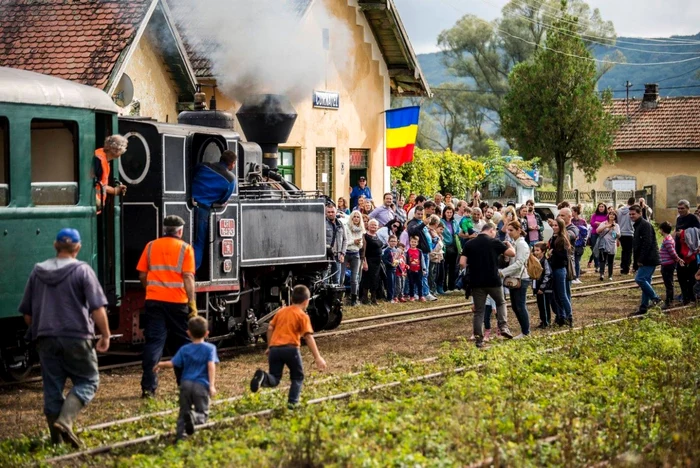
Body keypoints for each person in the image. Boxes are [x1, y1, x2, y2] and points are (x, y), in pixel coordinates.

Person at [18, 228, 110, 447]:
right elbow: (97, 308)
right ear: (77, 248)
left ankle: (56, 442)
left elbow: (27, 314)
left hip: (45, 338)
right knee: (88, 380)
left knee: (52, 388)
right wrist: (105, 334)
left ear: (55, 245)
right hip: (76, 336)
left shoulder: (37, 271)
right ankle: (66, 421)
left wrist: (41, 331)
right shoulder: (82, 270)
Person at [137, 215, 196, 398]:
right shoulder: (186, 248)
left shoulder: (151, 246)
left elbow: (142, 275)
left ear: (164, 229)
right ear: (180, 231)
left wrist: (152, 291)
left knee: (154, 344)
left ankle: (148, 388)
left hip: (154, 302)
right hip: (177, 304)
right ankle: (184, 384)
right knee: (182, 345)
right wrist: (192, 304)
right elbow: (188, 277)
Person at [250, 285, 327, 408]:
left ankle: (263, 376)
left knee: (274, 378)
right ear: (306, 301)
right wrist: (317, 357)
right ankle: (292, 403)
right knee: (297, 377)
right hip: (291, 349)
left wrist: (269, 346)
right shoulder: (302, 316)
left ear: (292, 299)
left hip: (275, 349)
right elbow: (308, 337)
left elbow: (270, 328)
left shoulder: (281, 311)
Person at [154, 316, 218, 441]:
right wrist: (211, 385)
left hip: (186, 384)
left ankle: (180, 437)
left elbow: (173, 363)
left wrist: (160, 364)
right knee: (203, 414)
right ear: (207, 333)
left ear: (188, 333)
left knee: (183, 412)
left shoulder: (184, 349)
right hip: (201, 385)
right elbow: (211, 365)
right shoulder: (210, 349)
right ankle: (194, 417)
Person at [459, 223, 516, 348]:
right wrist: (509, 245)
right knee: (501, 302)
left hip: (476, 282)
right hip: (493, 280)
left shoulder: (469, 244)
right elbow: (512, 253)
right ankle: (503, 326)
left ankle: (479, 339)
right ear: (491, 230)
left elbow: (462, 263)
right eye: (494, 231)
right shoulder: (494, 242)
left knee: (479, 311)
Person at [191, 150, 237, 270]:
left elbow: (191, 175)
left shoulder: (203, 166)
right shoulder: (231, 179)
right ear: (232, 163)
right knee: (199, 243)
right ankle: (192, 271)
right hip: (203, 210)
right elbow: (223, 200)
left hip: (187, 204)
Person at [498, 221, 531, 338]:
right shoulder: (514, 243)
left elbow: (519, 263)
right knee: (515, 305)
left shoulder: (521, 244)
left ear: (518, 230)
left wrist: (503, 273)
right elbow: (513, 261)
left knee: (520, 305)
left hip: (521, 278)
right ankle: (524, 331)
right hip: (514, 277)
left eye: (511, 230)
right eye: (508, 230)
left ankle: (526, 332)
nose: (509, 232)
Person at [630, 205, 662, 315]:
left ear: (640, 213)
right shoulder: (638, 225)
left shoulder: (645, 225)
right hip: (645, 258)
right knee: (646, 281)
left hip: (649, 258)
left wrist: (640, 259)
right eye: (630, 214)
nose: (631, 216)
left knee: (640, 279)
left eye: (633, 214)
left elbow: (647, 244)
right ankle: (643, 307)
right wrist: (635, 263)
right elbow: (637, 245)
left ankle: (656, 298)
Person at [548, 218, 574, 327]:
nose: (554, 227)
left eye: (556, 226)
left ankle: (569, 316)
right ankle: (561, 316)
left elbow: (564, 256)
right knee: (556, 296)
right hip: (554, 268)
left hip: (560, 269)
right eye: (553, 225)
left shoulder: (562, 239)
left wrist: (553, 252)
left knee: (562, 295)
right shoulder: (554, 238)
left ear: (561, 227)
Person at [94, 134, 128, 214]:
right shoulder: (98, 160)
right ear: (116, 149)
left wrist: (115, 190)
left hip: (96, 205)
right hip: (94, 204)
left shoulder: (101, 157)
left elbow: (101, 184)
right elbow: (94, 185)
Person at [675, 199, 700, 305]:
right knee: (681, 276)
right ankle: (685, 297)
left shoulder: (693, 218)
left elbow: (697, 232)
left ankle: (693, 297)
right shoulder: (679, 218)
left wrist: (684, 234)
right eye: (678, 208)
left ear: (688, 208)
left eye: (682, 208)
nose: (680, 210)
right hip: (680, 251)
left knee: (691, 276)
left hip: (691, 252)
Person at [659, 221, 685, 309]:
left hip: (667, 264)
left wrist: (678, 259)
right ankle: (669, 300)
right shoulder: (669, 238)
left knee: (668, 283)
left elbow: (672, 253)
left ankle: (669, 301)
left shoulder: (667, 241)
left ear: (662, 230)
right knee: (669, 282)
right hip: (667, 263)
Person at [344, 210, 365, 306]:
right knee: (341, 277)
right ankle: (340, 298)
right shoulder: (346, 227)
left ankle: (353, 299)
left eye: (358, 217)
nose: (356, 218)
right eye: (354, 217)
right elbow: (345, 242)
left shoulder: (360, 229)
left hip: (356, 253)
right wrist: (354, 241)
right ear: (351, 218)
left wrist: (359, 243)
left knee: (354, 278)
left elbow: (360, 246)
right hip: (346, 253)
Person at [360, 219, 383, 305]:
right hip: (369, 260)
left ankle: (374, 298)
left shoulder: (377, 235)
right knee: (367, 279)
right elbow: (363, 250)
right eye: (372, 225)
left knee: (375, 280)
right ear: (368, 226)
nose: (373, 226)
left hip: (377, 261)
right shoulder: (365, 236)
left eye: (375, 225)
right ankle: (364, 298)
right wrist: (364, 262)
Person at [532, 242, 553, 329]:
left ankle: (546, 321)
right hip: (537, 287)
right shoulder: (535, 261)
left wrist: (542, 287)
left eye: (538, 250)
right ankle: (543, 320)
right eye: (534, 250)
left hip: (544, 289)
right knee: (540, 305)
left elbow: (548, 274)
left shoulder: (545, 262)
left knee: (544, 305)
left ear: (543, 251)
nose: (535, 252)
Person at [324, 204, 347, 285]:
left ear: (336, 212)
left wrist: (343, 253)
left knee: (336, 280)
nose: (330, 214)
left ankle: (335, 297)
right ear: (325, 213)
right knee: (324, 280)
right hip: (326, 257)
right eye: (328, 212)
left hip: (338, 256)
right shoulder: (322, 224)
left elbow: (345, 240)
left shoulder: (340, 224)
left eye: (332, 212)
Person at [596, 210, 620, 281]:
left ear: (615, 217)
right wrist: (606, 226)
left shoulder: (617, 225)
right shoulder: (603, 223)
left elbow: (616, 236)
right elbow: (598, 231)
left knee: (610, 260)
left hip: (612, 244)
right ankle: (602, 274)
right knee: (602, 259)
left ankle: (610, 275)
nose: (611, 216)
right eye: (610, 214)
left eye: (613, 214)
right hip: (603, 244)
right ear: (608, 215)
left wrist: (613, 230)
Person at [441, 205, 460, 291]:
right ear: (444, 213)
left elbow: (458, 232)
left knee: (453, 267)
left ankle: (452, 286)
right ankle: (444, 286)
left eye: (451, 212)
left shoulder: (454, 222)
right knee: (444, 267)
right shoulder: (441, 222)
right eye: (447, 212)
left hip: (454, 246)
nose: (449, 214)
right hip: (445, 246)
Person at [570, 205, 588, 284]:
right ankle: (573, 276)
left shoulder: (583, 221)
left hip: (580, 244)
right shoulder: (570, 221)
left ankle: (577, 276)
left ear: (576, 212)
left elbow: (585, 233)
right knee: (572, 261)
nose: (571, 212)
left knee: (577, 261)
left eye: (572, 211)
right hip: (572, 243)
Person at [588, 203, 608, 270]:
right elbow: (592, 223)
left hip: (604, 234)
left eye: (602, 207)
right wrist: (602, 224)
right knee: (595, 249)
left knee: (602, 249)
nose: (601, 208)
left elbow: (607, 224)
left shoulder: (607, 215)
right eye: (600, 207)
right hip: (594, 233)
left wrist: (598, 223)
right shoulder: (594, 215)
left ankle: (602, 264)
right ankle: (597, 265)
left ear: (605, 208)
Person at [617, 197, 635, 275]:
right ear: (633, 203)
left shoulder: (619, 210)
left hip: (621, 233)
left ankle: (622, 267)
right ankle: (626, 269)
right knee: (629, 251)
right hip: (629, 233)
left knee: (624, 250)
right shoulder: (632, 211)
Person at [405, 236, 426, 302]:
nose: (413, 243)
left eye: (415, 242)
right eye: (412, 242)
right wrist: (406, 269)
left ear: (417, 243)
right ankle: (412, 296)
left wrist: (424, 269)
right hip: (411, 270)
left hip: (419, 270)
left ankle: (421, 296)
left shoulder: (419, 251)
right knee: (411, 283)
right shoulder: (407, 251)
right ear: (410, 242)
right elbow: (405, 260)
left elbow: (422, 260)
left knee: (420, 283)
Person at [428, 218, 445, 296]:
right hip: (432, 254)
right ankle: (431, 290)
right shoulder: (430, 231)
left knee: (435, 273)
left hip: (437, 255)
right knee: (431, 273)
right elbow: (435, 243)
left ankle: (433, 289)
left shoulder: (435, 232)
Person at [382, 235, 400, 303]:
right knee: (390, 284)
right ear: (388, 242)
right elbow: (384, 259)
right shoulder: (387, 250)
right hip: (389, 269)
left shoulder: (395, 249)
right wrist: (390, 264)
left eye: (394, 241)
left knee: (394, 283)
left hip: (394, 269)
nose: (393, 242)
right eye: (391, 241)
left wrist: (397, 262)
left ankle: (393, 297)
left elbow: (396, 258)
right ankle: (389, 298)